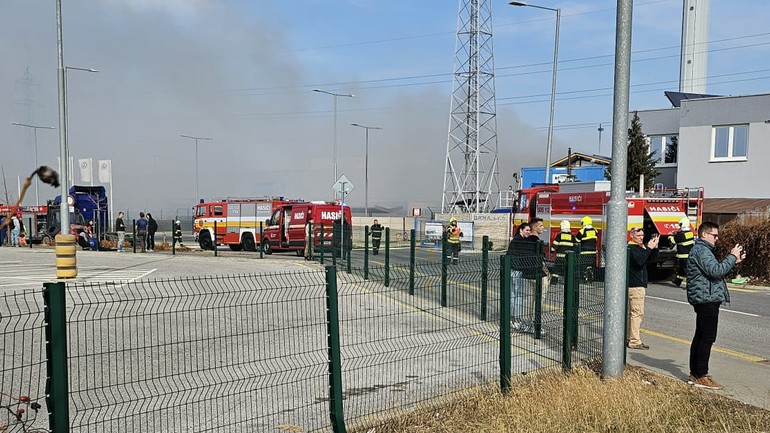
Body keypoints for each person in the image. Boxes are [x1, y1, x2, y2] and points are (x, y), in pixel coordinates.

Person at [686, 222, 743, 390]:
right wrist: (731, 256)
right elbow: (716, 271)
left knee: (701, 335)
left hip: (706, 297)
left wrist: (734, 262)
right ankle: (701, 375)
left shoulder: (703, 250)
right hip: (706, 299)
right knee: (707, 337)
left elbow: (716, 272)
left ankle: (696, 373)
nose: (717, 239)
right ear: (704, 235)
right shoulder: (702, 250)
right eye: (714, 235)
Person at [627, 227, 660, 350]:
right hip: (635, 286)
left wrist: (655, 247)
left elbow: (650, 259)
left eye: (642, 235)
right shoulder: (631, 248)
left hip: (637, 285)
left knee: (632, 314)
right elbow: (640, 261)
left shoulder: (640, 248)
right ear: (631, 236)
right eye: (638, 236)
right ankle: (634, 341)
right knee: (637, 314)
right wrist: (649, 248)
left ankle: (629, 337)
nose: (641, 238)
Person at [507, 223, 539, 333]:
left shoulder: (516, 240)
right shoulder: (519, 241)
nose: (529, 232)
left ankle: (512, 318)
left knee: (513, 294)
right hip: (516, 270)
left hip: (512, 269)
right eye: (527, 230)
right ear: (521, 230)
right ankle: (516, 319)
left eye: (530, 230)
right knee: (518, 295)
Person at [669, 216, 695, 287]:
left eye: (680, 224)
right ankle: (677, 281)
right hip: (688, 255)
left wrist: (670, 236)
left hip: (682, 255)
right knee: (681, 269)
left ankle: (690, 284)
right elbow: (683, 237)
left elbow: (673, 241)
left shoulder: (680, 235)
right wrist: (677, 234)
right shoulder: (690, 233)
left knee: (686, 270)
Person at [576, 216, 599, 280]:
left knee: (583, 265)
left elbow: (576, 241)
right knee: (590, 265)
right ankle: (590, 276)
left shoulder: (582, 231)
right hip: (593, 252)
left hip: (584, 252)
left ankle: (584, 277)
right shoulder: (595, 230)